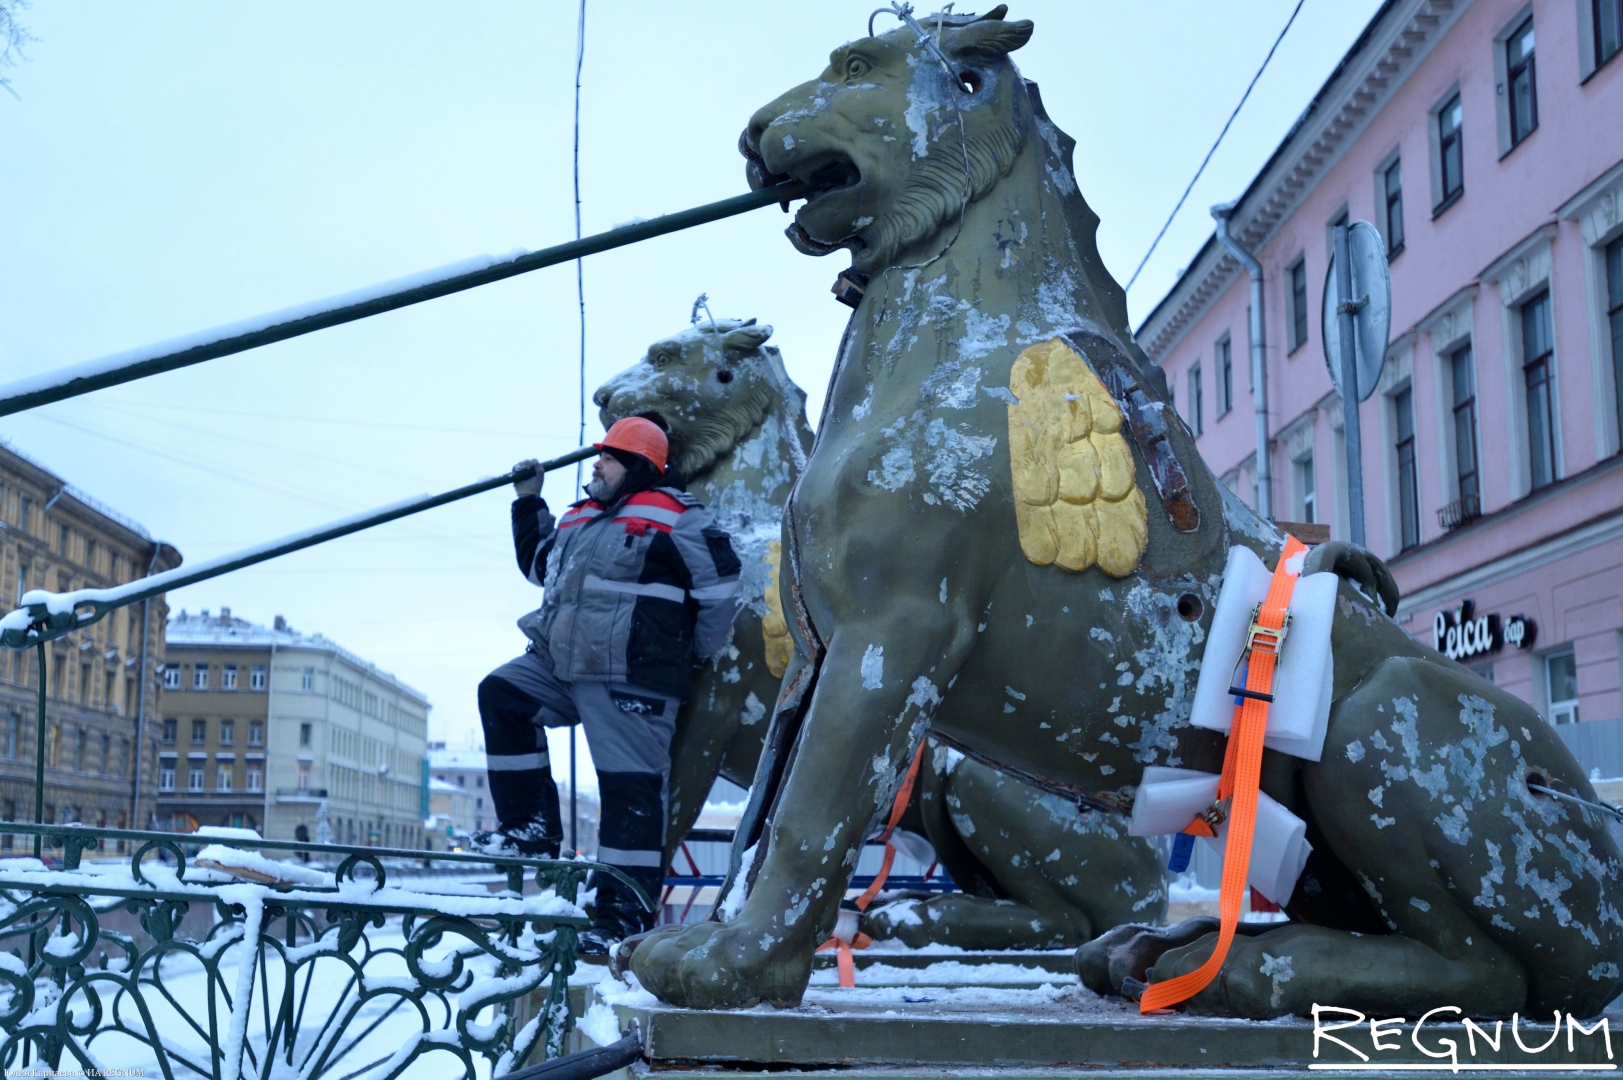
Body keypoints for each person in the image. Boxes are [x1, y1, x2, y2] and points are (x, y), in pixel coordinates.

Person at [475, 416, 742, 952]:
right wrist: (529, 502)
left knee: (629, 794)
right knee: (502, 693)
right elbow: (538, 565)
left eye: (608, 457)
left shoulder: (679, 517)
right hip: (560, 665)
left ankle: (620, 917)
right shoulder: (578, 518)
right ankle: (530, 828)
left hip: (631, 674)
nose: (595, 464)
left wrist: (691, 653)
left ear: (637, 465)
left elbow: (721, 589)